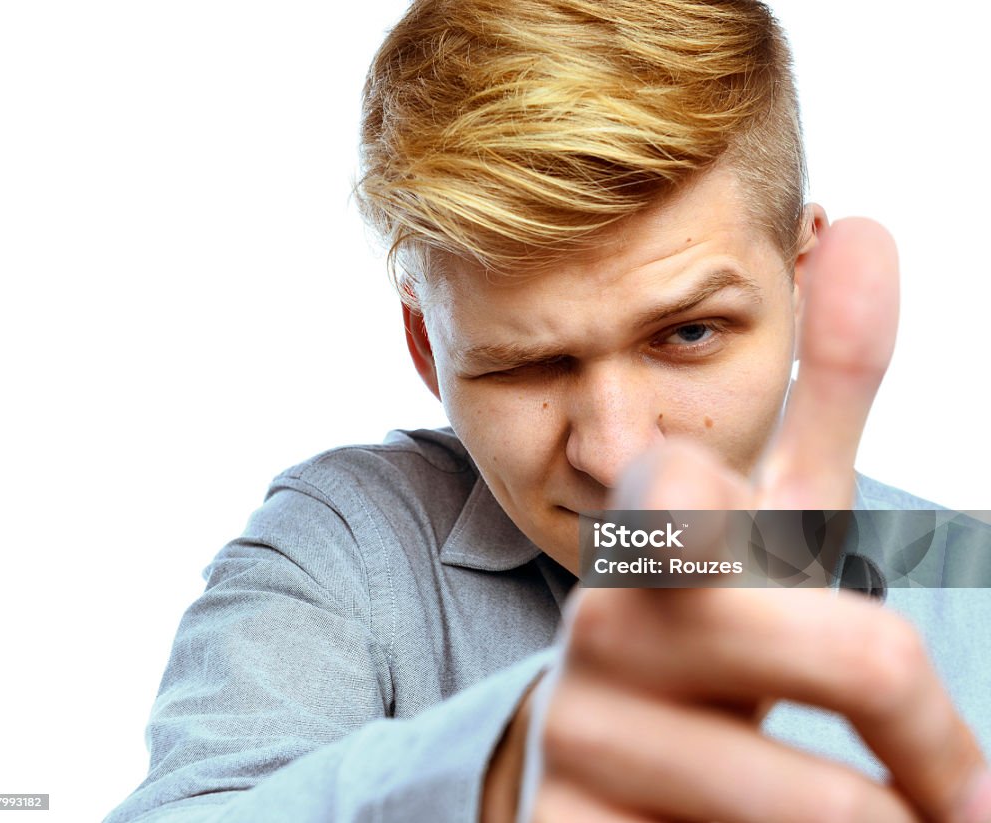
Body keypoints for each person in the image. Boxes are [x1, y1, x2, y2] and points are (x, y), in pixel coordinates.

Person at [104, 1, 991, 821]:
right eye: (525, 363)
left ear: (801, 286)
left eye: (688, 333)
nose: (614, 456)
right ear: (426, 347)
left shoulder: (966, 578)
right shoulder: (344, 551)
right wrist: (486, 775)